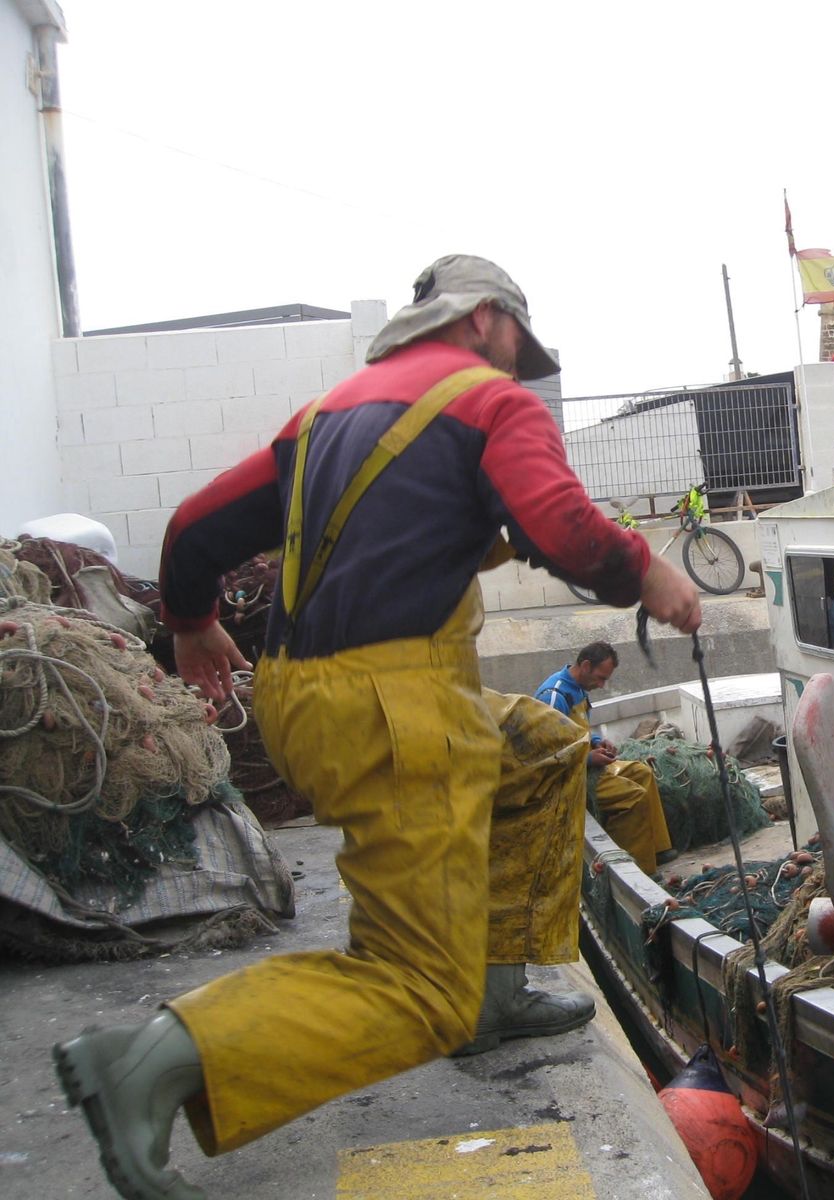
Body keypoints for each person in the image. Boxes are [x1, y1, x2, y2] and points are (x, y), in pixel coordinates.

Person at [52, 254, 702, 1199]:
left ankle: (499, 984)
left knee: (541, 752)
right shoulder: (491, 402)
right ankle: (158, 1056)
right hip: (395, 710)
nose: (523, 367)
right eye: (519, 342)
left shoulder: (328, 416)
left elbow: (194, 528)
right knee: (412, 990)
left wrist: (192, 622)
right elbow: (562, 527)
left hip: (309, 700)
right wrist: (648, 573)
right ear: (486, 321)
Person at [536, 641, 677, 876]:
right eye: (600, 678)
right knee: (633, 796)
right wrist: (589, 760)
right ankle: (637, 870)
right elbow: (545, 754)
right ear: (586, 665)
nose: (601, 685)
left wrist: (596, 741)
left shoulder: (579, 688)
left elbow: (576, 729)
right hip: (569, 778)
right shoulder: (554, 696)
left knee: (642, 773)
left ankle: (659, 848)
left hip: (584, 762)